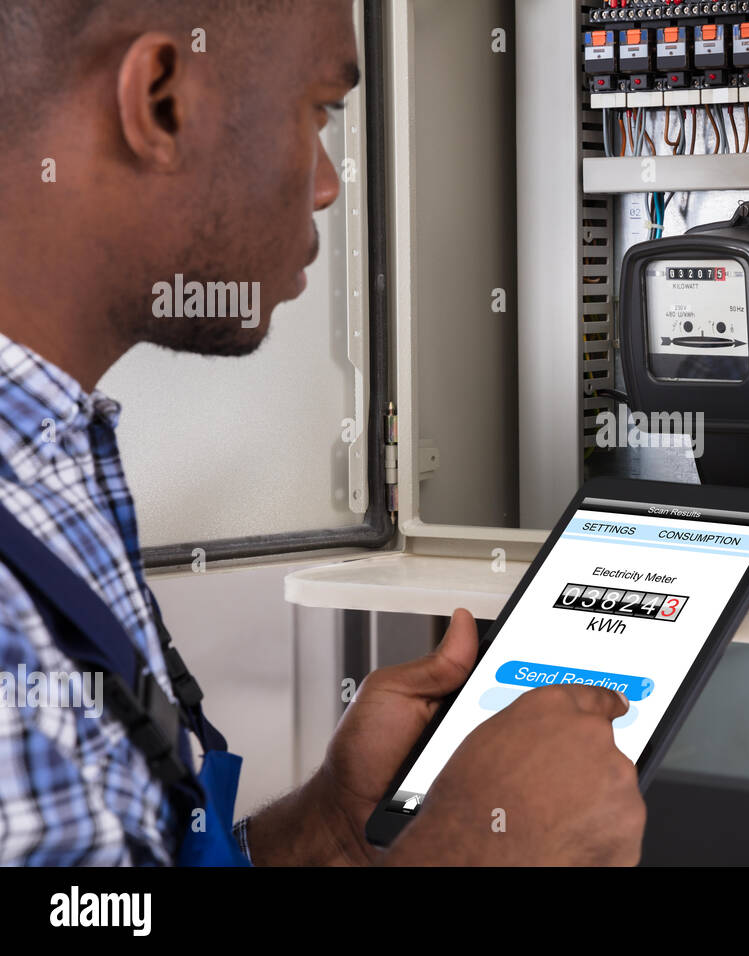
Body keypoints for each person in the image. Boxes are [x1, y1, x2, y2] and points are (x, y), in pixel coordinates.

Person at [0, 0, 645, 866]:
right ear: (160, 100)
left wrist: (326, 832)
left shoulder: (53, 453)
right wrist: (468, 851)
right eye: (317, 111)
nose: (330, 182)